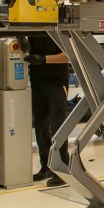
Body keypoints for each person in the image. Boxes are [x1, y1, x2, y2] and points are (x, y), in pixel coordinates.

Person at [25, 33, 71, 187]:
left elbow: (68, 56)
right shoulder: (32, 28)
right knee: (41, 125)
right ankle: (46, 166)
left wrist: (44, 59)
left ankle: (63, 169)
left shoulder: (60, 30)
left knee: (57, 124)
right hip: (38, 80)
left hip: (57, 80)